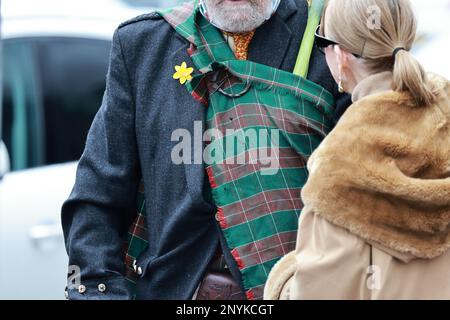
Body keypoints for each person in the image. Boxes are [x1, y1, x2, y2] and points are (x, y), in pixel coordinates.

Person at [61, 0, 350, 300]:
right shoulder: (141, 45)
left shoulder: (329, 42)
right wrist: (99, 292)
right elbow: (96, 200)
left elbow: (357, 203)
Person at [264, 0, 450, 300]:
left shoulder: (340, 164)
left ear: (341, 55)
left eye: (321, 43)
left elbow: (318, 292)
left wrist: (283, 278)